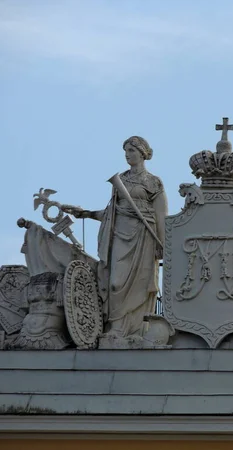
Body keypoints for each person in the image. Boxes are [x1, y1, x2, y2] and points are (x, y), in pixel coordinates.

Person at [72, 136, 168, 342]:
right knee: (115, 282)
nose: (127, 155)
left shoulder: (153, 182)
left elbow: (161, 216)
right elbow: (111, 213)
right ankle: (116, 326)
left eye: (131, 150)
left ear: (142, 153)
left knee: (141, 283)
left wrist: (162, 243)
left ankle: (136, 329)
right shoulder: (121, 180)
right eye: (125, 151)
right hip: (120, 235)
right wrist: (86, 213)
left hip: (144, 237)